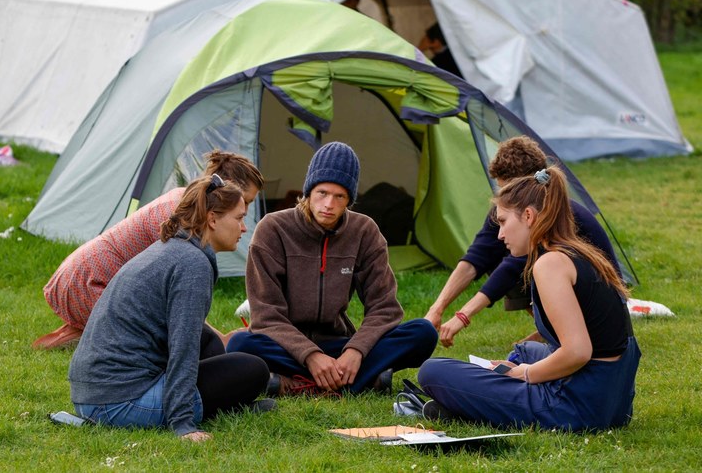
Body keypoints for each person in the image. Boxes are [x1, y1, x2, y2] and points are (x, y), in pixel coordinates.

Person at [417, 167, 640, 430]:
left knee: (433, 372)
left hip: (576, 407)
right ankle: (482, 397)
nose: (499, 235)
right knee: (525, 351)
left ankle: (475, 401)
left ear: (528, 215)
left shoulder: (550, 265)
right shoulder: (580, 253)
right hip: (614, 400)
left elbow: (578, 352)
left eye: (502, 222)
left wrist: (522, 374)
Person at [68, 175, 272, 441]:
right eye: (239, 218)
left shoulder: (172, 248)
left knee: (209, 341)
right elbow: (182, 347)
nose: (244, 228)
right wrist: (183, 424)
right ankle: (204, 408)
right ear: (212, 219)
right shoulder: (192, 264)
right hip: (118, 403)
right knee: (253, 370)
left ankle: (227, 404)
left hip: (92, 395)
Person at [227, 142, 438, 395]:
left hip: (339, 344)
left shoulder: (364, 231)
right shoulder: (272, 229)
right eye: (322, 193)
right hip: (286, 346)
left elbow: (385, 308)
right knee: (240, 344)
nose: (329, 204)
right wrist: (311, 356)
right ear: (308, 191)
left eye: (340, 196)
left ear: (350, 199)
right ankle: (359, 381)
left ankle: (297, 385)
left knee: (423, 333)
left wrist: (355, 351)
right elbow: (266, 315)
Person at [34, 150, 264, 350]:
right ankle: (93, 331)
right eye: (245, 201)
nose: (245, 211)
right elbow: (177, 304)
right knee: (154, 335)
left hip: (82, 275)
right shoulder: (183, 220)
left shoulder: (187, 203)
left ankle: (81, 332)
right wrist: (220, 339)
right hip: (88, 282)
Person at [424, 136, 621, 348]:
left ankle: (558, 332)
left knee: (520, 267)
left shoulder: (555, 212)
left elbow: (511, 269)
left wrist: (462, 316)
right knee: (498, 255)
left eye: (508, 188)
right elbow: (478, 256)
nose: (503, 195)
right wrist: (437, 309)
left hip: (600, 306)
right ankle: (551, 329)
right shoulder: (510, 208)